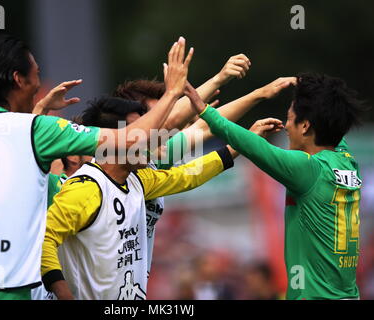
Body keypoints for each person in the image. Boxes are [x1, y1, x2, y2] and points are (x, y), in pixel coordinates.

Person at [0, 33, 192, 300]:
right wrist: (172, 93)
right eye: (36, 74)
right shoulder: (39, 130)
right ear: (19, 79)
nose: (39, 83)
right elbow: (130, 138)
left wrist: (38, 109)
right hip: (6, 291)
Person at [40, 91, 280, 299]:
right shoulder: (85, 188)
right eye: (141, 133)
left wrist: (239, 145)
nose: (150, 141)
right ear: (117, 139)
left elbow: (188, 175)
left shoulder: (138, 180)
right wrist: (64, 294)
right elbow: (46, 240)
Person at [189, 72, 368, 300]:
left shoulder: (308, 170)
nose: (286, 127)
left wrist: (204, 111)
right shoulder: (348, 162)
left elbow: (253, 146)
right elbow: (331, 117)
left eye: (290, 119)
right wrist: (314, 89)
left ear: (305, 126)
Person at [112, 75, 296, 277]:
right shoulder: (110, 171)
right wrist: (220, 79)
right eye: (157, 119)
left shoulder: (153, 159)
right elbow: (189, 174)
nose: (165, 127)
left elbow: (204, 128)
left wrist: (257, 94)